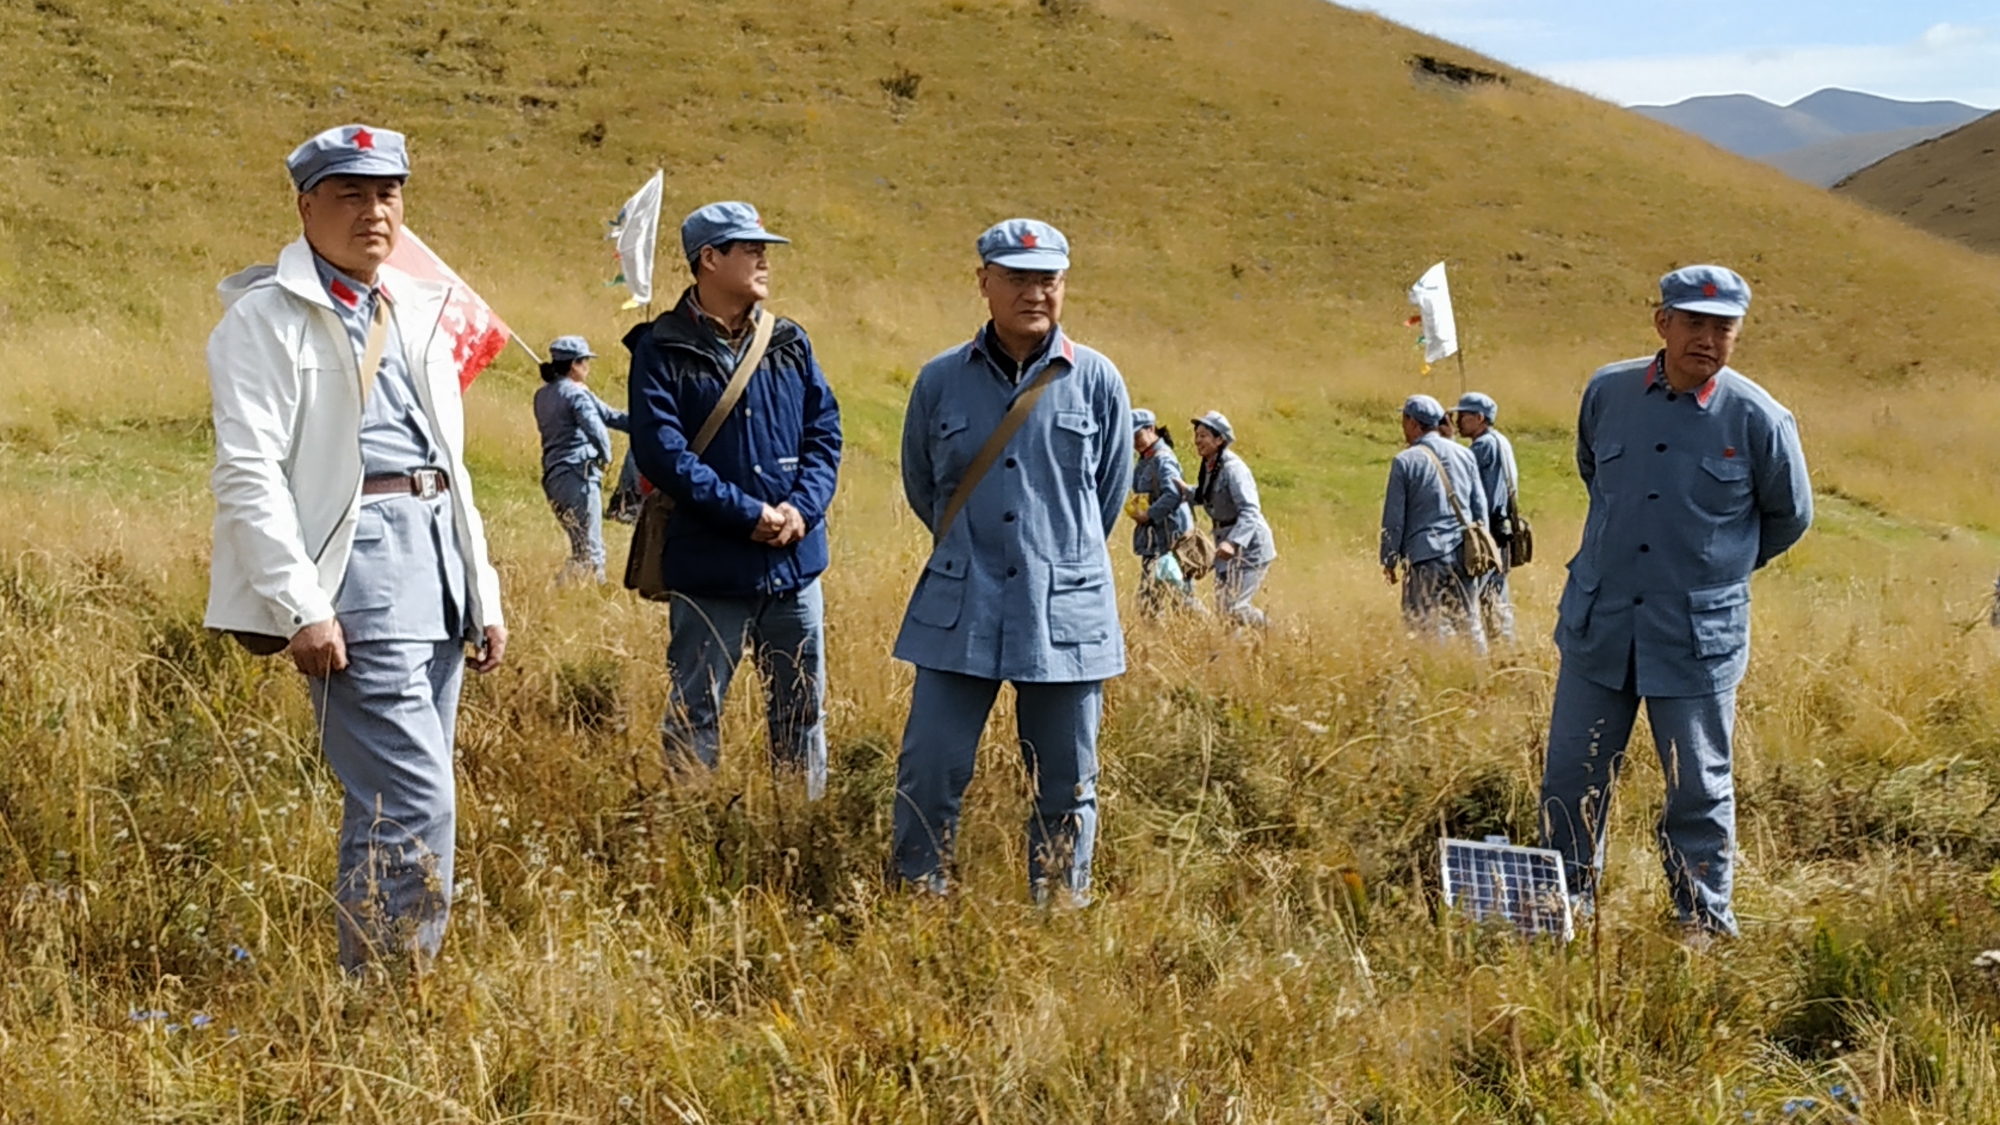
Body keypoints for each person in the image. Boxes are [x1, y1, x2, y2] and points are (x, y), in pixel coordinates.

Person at [204, 124, 506, 973]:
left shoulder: (414, 307)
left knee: (389, 801)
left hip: (436, 573)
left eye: (388, 194)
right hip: (355, 580)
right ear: (306, 206)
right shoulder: (264, 320)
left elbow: (451, 461)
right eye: (351, 194)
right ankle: (394, 992)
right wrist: (300, 603)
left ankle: (372, 982)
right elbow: (250, 473)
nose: (375, 212)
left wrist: (480, 589)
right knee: (416, 797)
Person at [1538, 265, 1812, 942]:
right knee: (1571, 775)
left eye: (1724, 327)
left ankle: (1701, 922)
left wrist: (1717, 571)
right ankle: (1565, 906)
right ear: (1662, 322)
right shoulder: (1608, 392)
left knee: (1697, 788)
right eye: (1695, 322)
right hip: (1601, 626)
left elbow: (1790, 516)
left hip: (1693, 640)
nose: (1709, 339)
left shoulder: (1758, 418)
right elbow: (1592, 472)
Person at [893, 218, 1131, 903]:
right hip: (960, 607)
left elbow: (1106, 498)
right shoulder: (939, 380)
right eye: (1018, 278)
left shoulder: (1099, 381)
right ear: (984, 283)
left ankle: (1058, 908)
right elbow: (923, 483)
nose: (1035, 293)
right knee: (928, 767)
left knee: (1067, 779)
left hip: (1065, 617)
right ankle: (919, 898)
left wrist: (1057, 556)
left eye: (1048, 279)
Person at [625, 201, 842, 799]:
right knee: (696, 712)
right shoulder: (660, 348)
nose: (763, 258)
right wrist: (747, 516)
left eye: (763, 247)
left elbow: (825, 431)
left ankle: (798, 826)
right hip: (710, 568)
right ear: (709, 260)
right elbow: (663, 454)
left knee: (801, 713)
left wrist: (803, 507)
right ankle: (689, 833)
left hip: (792, 565)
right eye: (749, 249)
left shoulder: (790, 341)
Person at [1380, 394, 1488, 654]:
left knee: (1423, 623)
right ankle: (1480, 675)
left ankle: (1434, 672)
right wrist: (1482, 546)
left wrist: (1389, 558)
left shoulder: (1405, 461)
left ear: (1413, 423)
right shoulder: (1464, 454)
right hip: (1464, 552)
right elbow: (1479, 507)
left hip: (1425, 554)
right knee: (1468, 621)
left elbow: (1394, 518)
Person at [534, 335, 629, 584]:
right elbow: (597, 428)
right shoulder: (576, 395)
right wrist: (605, 457)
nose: (588, 366)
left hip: (555, 477)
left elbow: (611, 415)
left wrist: (648, 423)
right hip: (580, 475)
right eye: (585, 360)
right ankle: (587, 596)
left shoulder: (544, 395)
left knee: (581, 548)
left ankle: (561, 593)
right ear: (575, 364)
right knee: (591, 552)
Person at [1190, 411, 1277, 628]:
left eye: (1204, 435)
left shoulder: (1233, 469)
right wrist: (1185, 492)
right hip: (1226, 548)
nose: (1198, 440)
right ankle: (1232, 655)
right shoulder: (1210, 466)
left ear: (1219, 440)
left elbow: (1250, 510)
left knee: (1237, 608)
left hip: (1249, 548)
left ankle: (1279, 636)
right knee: (1223, 611)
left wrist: (1233, 542)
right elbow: (1208, 495)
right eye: (1197, 435)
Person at [1454, 391, 1519, 643]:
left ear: (1479, 418)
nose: (1458, 421)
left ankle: (1477, 653)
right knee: (1496, 595)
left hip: (1487, 530)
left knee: (1471, 597)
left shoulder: (1482, 446)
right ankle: (1506, 651)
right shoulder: (1501, 441)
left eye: (1463, 416)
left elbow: (1473, 489)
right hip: (1504, 528)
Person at [1128, 408, 1196, 614]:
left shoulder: (1163, 459)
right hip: (1155, 541)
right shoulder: (1145, 459)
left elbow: (1174, 494)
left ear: (1151, 429)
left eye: (1137, 435)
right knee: (1149, 601)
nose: (1134, 441)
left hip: (1173, 540)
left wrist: (1148, 514)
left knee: (1181, 600)